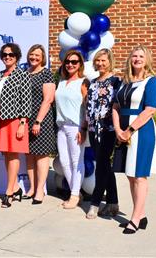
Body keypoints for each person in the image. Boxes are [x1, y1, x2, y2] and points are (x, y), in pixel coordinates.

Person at [112, 45, 156, 234]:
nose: (137, 59)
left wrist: (129, 130)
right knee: (130, 175)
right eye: (134, 56)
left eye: (141, 56)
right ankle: (140, 215)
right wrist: (118, 129)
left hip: (141, 132)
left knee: (139, 176)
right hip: (123, 130)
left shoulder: (151, 82)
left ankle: (134, 218)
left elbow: (150, 110)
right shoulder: (124, 82)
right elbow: (115, 106)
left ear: (146, 59)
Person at [0, 43, 32, 208]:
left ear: (17, 57)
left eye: (11, 55)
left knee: (14, 155)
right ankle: (16, 187)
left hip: (16, 120)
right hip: (0, 119)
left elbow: (26, 100)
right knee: (7, 155)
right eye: (5, 54)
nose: (7, 57)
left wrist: (23, 123)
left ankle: (9, 191)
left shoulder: (23, 75)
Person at [85, 49, 121, 219]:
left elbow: (118, 107)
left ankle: (95, 203)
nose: (100, 63)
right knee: (105, 164)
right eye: (97, 60)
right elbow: (88, 107)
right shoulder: (92, 82)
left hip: (108, 130)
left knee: (101, 165)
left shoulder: (116, 82)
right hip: (93, 129)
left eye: (103, 60)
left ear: (110, 61)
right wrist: (85, 126)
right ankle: (113, 202)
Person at [55, 49, 89, 209]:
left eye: (74, 62)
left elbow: (88, 108)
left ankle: (74, 195)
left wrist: (83, 128)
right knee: (64, 161)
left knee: (77, 161)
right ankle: (76, 192)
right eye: (67, 62)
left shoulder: (83, 82)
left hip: (76, 127)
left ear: (80, 64)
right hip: (62, 126)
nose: (70, 64)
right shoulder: (61, 82)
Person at [24, 44, 56, 205]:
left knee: (41, 155)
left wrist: (38, 121)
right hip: (25, 120)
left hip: (41, 120)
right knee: (29, 155)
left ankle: (40, 191)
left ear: (42, 57)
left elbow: (48, 99)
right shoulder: (25, 73)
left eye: (37, 55)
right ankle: (31, 187)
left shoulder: (46, 74)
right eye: (32, 55)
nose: (34, 58)